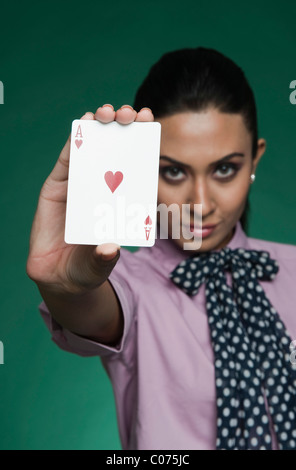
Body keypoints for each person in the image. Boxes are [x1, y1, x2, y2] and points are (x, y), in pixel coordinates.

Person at [26, 47, 296, 450]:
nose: (201, 203)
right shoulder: (130, 284)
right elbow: (94, 311)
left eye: (225, 169)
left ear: (254, 159)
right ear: (140, 165)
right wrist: (65, 286)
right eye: (172, 171)